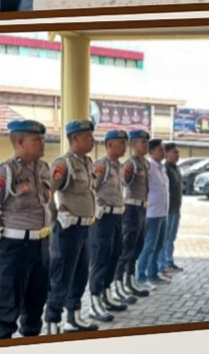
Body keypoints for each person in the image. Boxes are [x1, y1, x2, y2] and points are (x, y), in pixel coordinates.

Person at [0, 119, 55, 340]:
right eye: (37, 139)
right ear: (20, 141)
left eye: (42, 139)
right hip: (13, 249)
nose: (43, 143)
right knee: (6, 312)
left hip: (40, 247)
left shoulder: (43, 169)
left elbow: (49, 207)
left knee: (34, 310)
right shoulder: (3, 173)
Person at [44, 118, 100, 334]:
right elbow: (47, 192)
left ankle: (74, 318)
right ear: (74, 138)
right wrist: (55, 216)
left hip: (85, 228)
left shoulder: (86, 163)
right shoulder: (62, 164)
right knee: (61, 278)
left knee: (80, 275)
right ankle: (52, 323)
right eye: (88, 136)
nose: (92, 140)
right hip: (68, 230)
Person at [86, 129, 131, 322]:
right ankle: (95, 302)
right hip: (102, 219)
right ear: (110, 144)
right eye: (121, 143)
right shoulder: (101, 166)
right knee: (101, 258)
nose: (124, 147)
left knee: (114, 256)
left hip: (117, 218)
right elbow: (90, 189)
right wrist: (95, 209)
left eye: (125, 143)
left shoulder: (119, 167)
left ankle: (106, 294)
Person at [116, 129, 152, 300]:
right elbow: (124, 182)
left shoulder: (146, 163)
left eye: (146, 142)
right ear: (133, 145)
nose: (146, 145)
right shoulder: (130, 164)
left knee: (138, 246)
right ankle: (118, 284)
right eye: (142, 142)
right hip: (131, 209)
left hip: (142, 209)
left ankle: (131, 280)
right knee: (126, 248)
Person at [135, 139, 171, 287]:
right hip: (152, 213)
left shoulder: (161, 168)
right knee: (149, 245)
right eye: (160, 150)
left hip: (163, 212)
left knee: (160, 244)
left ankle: (153, 273)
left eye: (164, 149)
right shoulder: (148, 168)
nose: (163, 152)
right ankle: (141, 277)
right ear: (151, 152)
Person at [158, 145, 183, 276]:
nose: (177, 155)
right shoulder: (165, 169)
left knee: (171, 238)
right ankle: (163, 264)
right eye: (174, 152)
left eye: (178, 152)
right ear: (167, 154)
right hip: (168, 210)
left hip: (176, 209)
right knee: (165, 238)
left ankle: (169, 261)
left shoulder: (176, 168)